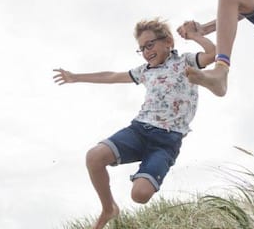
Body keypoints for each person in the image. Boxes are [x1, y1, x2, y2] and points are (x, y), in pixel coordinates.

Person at [53, 18, 215, 229]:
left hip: (166, 143)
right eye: (141, 49)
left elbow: (213, 54)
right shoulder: (144, 71)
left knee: (140, 195)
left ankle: (144, 179)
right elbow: (111, 76)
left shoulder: (186, 61)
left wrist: (195, 36)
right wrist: (75, 77)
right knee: (94, 157)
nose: (147, 51)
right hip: (139, 130)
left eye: (150, 45)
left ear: (168, 42)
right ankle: (109, 208)